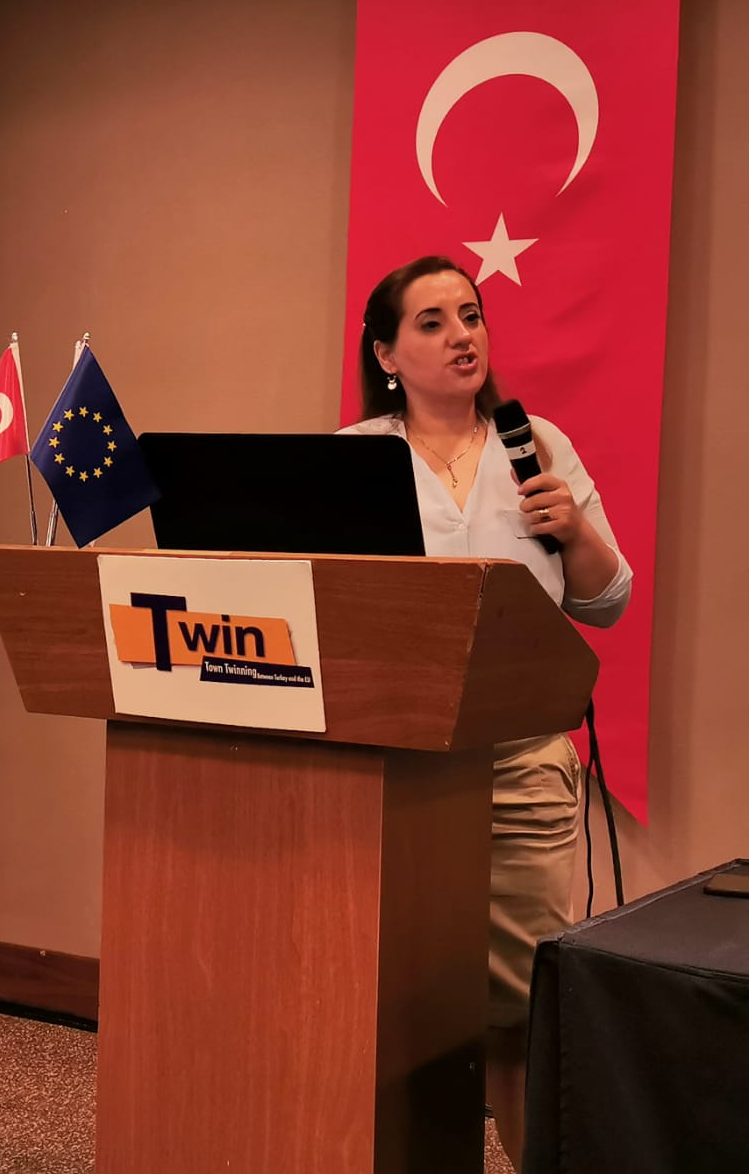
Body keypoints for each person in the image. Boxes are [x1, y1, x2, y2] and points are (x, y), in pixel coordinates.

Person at [341, 254, 633, 1171]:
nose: (462, 335)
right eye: (432, 322)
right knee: (400, 1004)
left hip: (522, 763)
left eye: (470, 315)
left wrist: (573, 529)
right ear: (387, 354)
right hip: (399, 762)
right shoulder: (356, 456)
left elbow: (607, 600)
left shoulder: (534, 443)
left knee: (519, 1010)